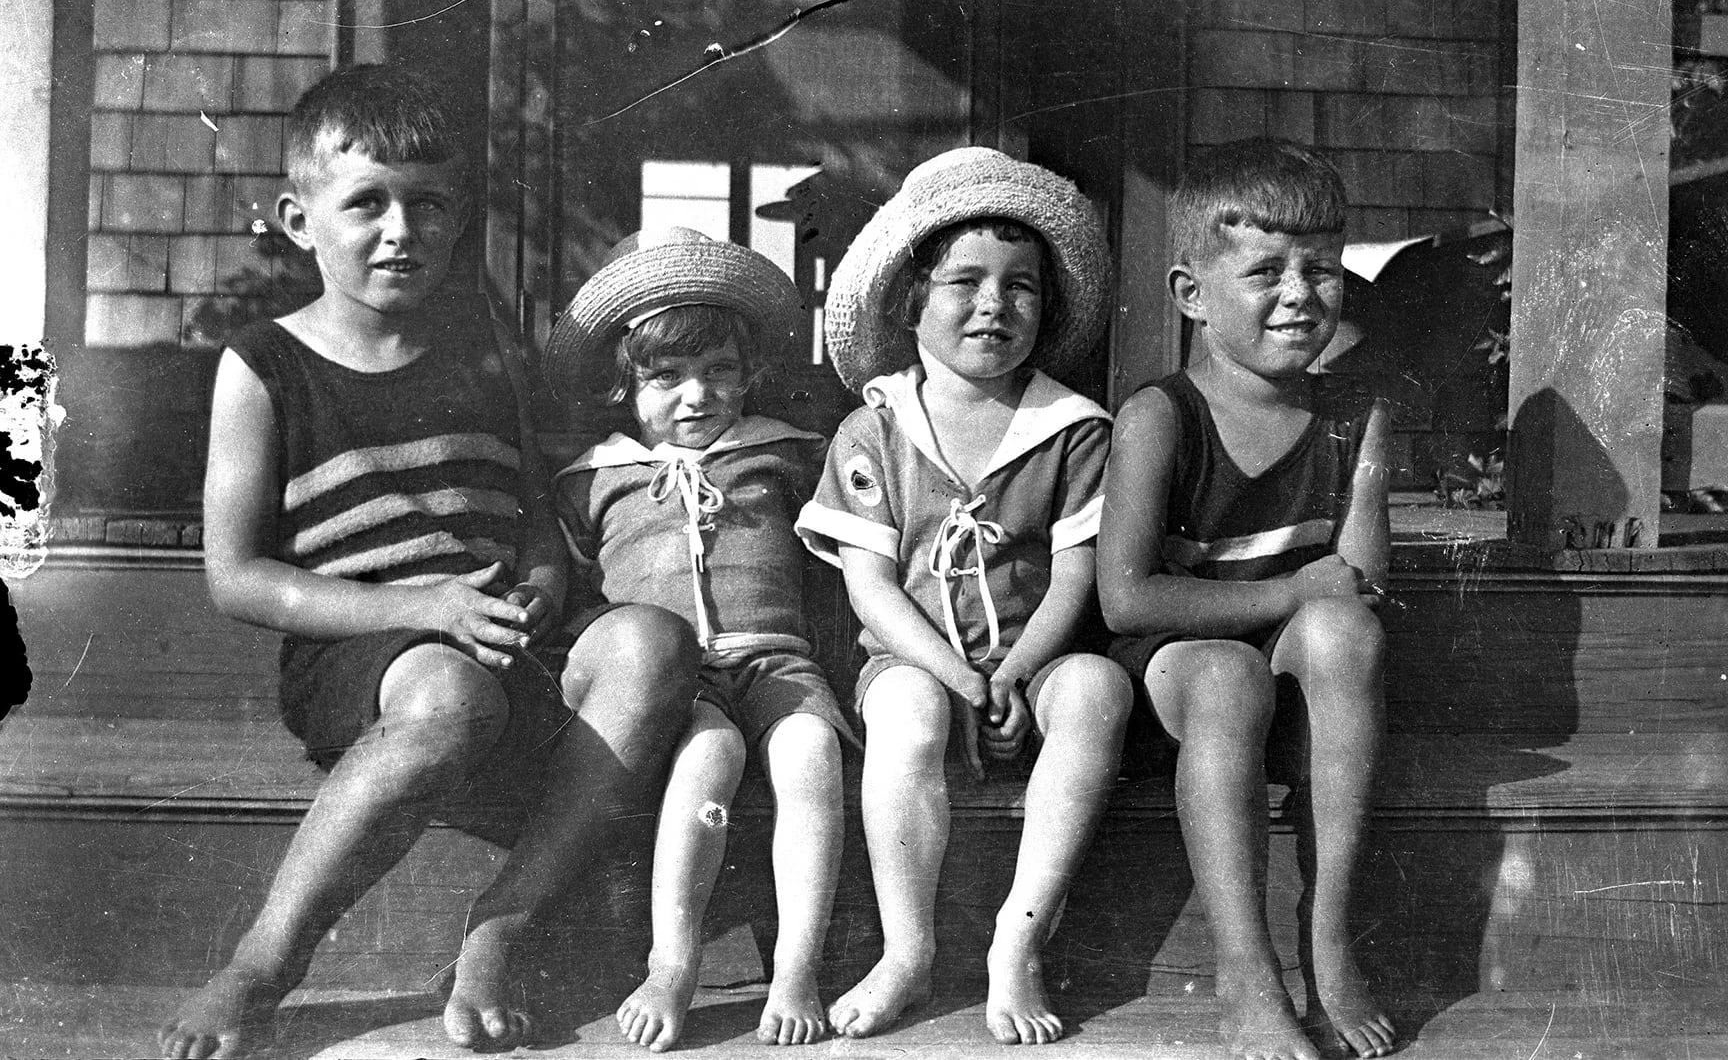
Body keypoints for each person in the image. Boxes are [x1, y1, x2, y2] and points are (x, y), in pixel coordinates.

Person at [159, 64, 696, 1059]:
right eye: (366, 203)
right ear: (295, 216)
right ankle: (261, 965)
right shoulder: (264, 364)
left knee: (654, 644)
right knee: (449, 696)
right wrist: (420, 604)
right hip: (371, 652)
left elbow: (534, 508)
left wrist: (540, 575)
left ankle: (503, 921)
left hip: (506, 635)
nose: (400, 229)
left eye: (429, 204)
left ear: (459, 220)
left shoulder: (484, 346)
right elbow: (235, 577)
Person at [797, 148, 1133, 1046]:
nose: (995, 304)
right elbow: (869, 584)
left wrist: (1017, 672)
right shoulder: (876, 428)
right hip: (917, 662)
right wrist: (955, 675)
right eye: (965, 281)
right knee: (905, 713)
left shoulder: (1071, 432)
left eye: (1022, 286)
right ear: (912, 304)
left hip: (1038, 657)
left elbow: (1073, 577)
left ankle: (1019, 934)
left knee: (1100, 691)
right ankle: (908, 948)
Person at [1097, 137, 1397, 1060]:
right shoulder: (1161, 416)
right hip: (1179, 668)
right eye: (1266, 270)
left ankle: (1330, 930)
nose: (1301, 293)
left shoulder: (1355, 420)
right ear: (1192, 294)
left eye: (1323, 268)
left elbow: (1353, 586)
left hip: (1293, 663)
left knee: (1345, 629)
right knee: (1230, 677)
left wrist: (1314, 599)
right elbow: (1127, 599)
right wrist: (1295, 592)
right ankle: (1245, 966)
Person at [541, 226, 853, 1051]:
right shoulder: (594, 479)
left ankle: (796, 963)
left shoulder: (786, 454)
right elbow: (573, 595)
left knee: (810, 753)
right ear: (623, 386)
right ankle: (673, 959)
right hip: (681, 684)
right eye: (666, 377)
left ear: (750, 373)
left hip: (777, 659)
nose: (696, 395)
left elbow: (845, 549)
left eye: (719, 371)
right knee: (709, 756)